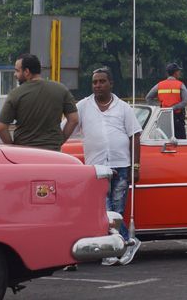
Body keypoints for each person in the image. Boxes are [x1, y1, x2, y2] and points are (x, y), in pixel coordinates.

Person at [72, 67, 143, 266]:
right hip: (97, 168)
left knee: (117, 210)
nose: (98, 85)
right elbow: (67, 127)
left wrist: (135, 166)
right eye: (94, 82)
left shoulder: (123, 107)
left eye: (102, 81)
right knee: (103, 210)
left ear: (111, 83)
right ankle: (128, 242)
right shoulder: (83, 106)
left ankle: (113, 249)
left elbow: (135, 135)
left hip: (121, 166)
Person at [0, 54, 78, 151]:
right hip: (53, 152)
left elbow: (1, 128)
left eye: (17, 71)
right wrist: (60, 141)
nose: (15, 74)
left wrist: (13, 147)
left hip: (24, 153)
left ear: (27, 72)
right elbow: (74, 119)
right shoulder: (61, 89)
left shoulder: (16, 94)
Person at [146, 63, 187, 140]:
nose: (179, 73)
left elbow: (148, 98)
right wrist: (174, 107)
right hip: (177, 117)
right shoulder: (180, 85)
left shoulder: (160, 85)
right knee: (180, 142)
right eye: (178, 71)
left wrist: (160, 106)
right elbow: (186, 101)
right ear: (175, 72)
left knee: (164, 139)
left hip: (163, 117)